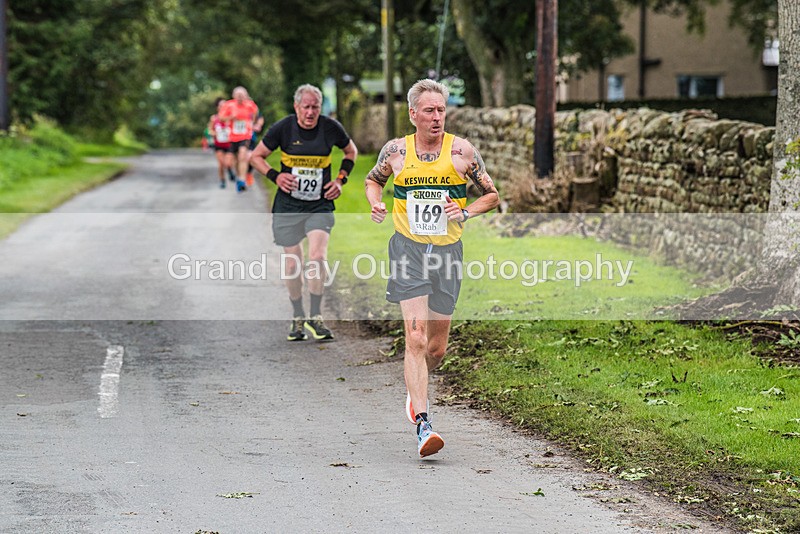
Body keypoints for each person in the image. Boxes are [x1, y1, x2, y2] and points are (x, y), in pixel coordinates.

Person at [364, 79, 499, 458]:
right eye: (429, 110)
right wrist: (376, 203)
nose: (437, 117)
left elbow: (492, 194)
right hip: (408, 250)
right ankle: (424, 423)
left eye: (441, 110)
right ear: (413, 114)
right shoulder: (396, 152)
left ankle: (415, 386)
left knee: (436, 349)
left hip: (447, 254)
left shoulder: (462, 152)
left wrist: (466, 210)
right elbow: (372, 181)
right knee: (416, 338)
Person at [250, 84, 358, 342]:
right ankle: (298, 315)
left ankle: (316, 316)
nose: (310, 112)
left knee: (318, 257)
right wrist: (276, 177)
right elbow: (256, 156)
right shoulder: (283, 128)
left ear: (320, 108)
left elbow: (350, 151)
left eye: (315, 107)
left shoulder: (330, 128)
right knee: (292, 263)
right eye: (306, 107)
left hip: (319, 203)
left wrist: (340, 180)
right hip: (288, 205)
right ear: (297, 107)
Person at [218, 86, 259, 192]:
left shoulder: (250, 105)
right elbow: (221, 117)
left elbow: (255, 114)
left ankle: (242, 180)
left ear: (245, 95)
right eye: (238, 95)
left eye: (242, 95)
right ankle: (239, 176)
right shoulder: (229, 105)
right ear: (234, 96)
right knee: (234, 160)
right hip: (232, 137)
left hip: (245, 135)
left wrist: (251, 124)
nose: (240, 97)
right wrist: (231, 118)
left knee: (242, 155)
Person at [208, 97, 235, 188]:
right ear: (217, 107)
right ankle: (222, 180)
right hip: (218, 144)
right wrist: (215, 133)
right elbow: (209, 131)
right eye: (221, 106)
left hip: (229, 144)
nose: (223, 107)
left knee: (228, 163)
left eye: (225, 105)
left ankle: (230, 169)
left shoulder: (231, 118)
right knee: (221, 163)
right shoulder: (214, 118)